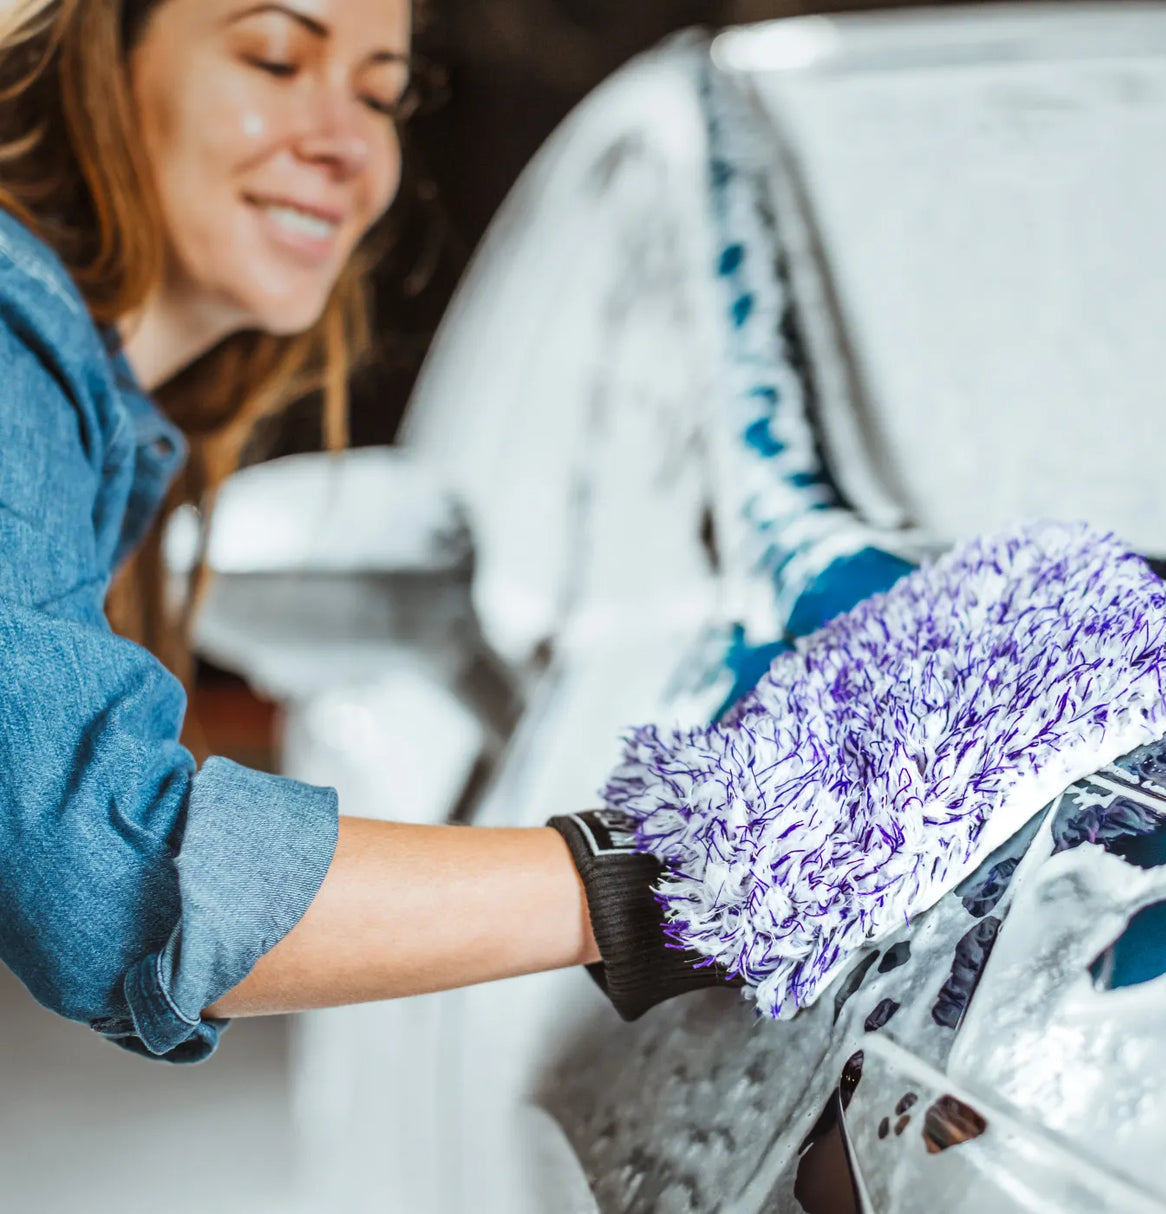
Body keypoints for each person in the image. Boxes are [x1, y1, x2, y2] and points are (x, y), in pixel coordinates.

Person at [0, 0, 725, 1063]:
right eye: (275, 58)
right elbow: (106, 878)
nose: (345, 142)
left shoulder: (101, 430)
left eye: (379, 93)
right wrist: (664, 873)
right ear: (100, 67)